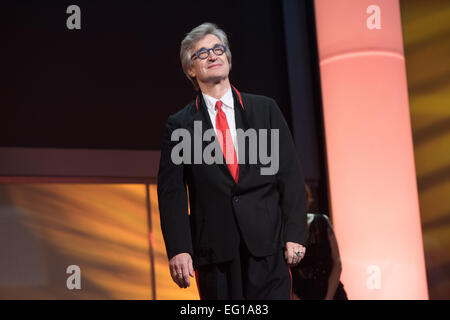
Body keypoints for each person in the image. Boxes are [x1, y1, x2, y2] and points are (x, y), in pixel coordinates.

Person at [157, 22, 308, 300]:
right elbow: (172, 193)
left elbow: (290, 176)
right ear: (190, 69)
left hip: (268, 248)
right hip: (215, 253)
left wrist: (296, 233)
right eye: (202, 53)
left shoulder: (265, 110)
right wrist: (180, 248)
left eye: (218, 49)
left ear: (228, 58)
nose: (213, 56)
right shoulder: (180, 125)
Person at [291, 185, 348, 300]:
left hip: (330, 292)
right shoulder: (285, 230)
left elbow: (337, 263)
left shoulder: (321, 222)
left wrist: (328, 297)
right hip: (301, 295)